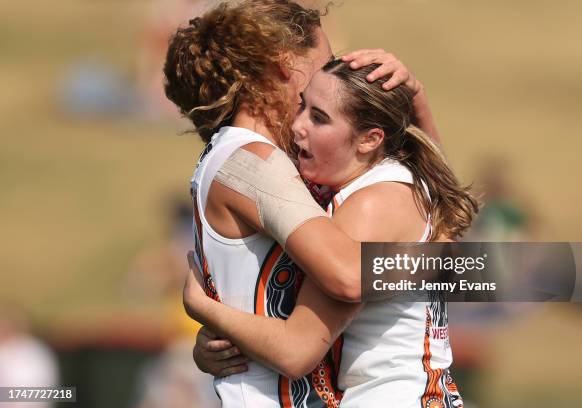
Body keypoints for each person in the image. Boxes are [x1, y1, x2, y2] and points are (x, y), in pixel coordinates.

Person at [164, 1, 443, 406]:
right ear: (284, 66)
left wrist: (415, 104)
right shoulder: (252, 163)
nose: (334, 74)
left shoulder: (256, 158)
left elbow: (432, 215)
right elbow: (349, 276)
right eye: (325, 60)